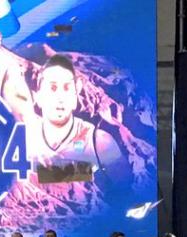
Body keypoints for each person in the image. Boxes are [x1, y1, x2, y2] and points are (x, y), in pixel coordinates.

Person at [27, 55, 130, 188]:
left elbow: (128, 192)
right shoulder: (22, 139)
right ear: (38, 97)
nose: (60, 97)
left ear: (75, 97)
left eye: (66, 88)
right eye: (52, 88)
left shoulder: (100, 142)